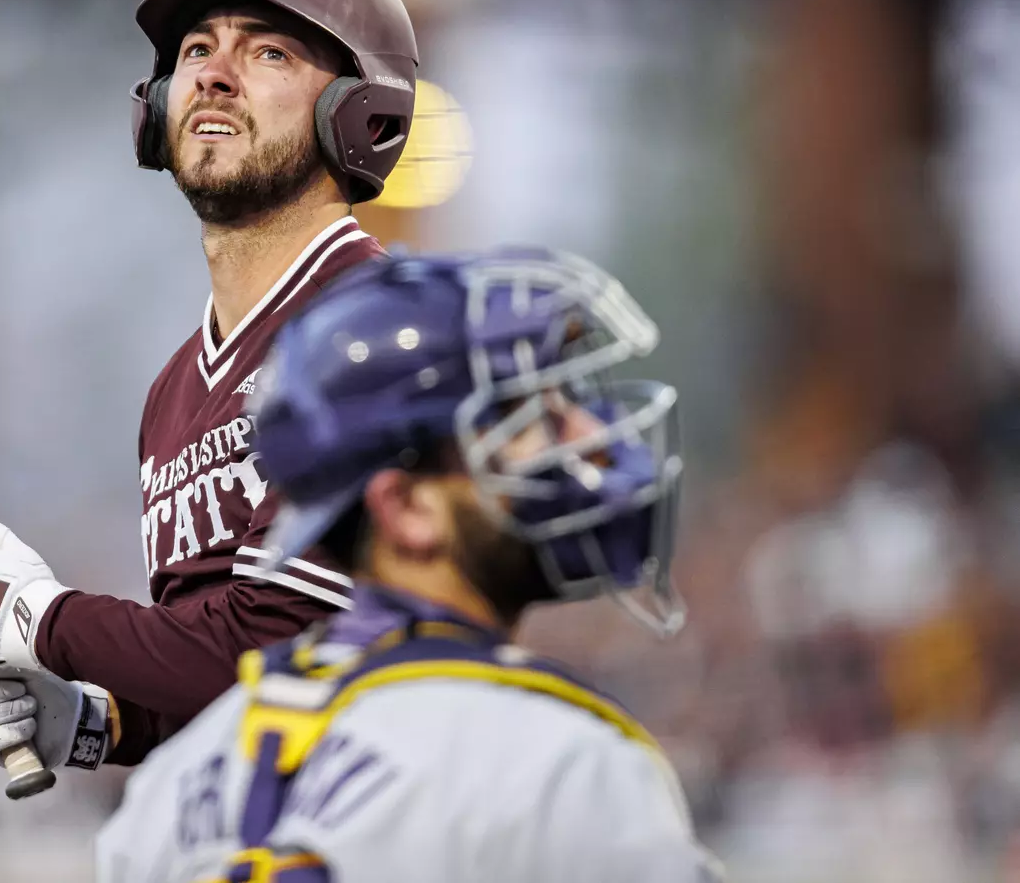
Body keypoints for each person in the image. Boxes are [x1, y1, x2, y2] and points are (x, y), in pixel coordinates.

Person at [0, 0, 420, 775]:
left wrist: (42, 622)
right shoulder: (174, 388)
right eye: (197, 48)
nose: (214, 72)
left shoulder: (372, 327)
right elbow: (212, 692)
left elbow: (281, 652)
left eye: (268, 51)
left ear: (358, 112)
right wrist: (93, 721)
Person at [95, 249, 721, 882]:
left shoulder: (171, 788)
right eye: (528, 414)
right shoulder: (561, 767)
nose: (588, 433)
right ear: (408, 508)